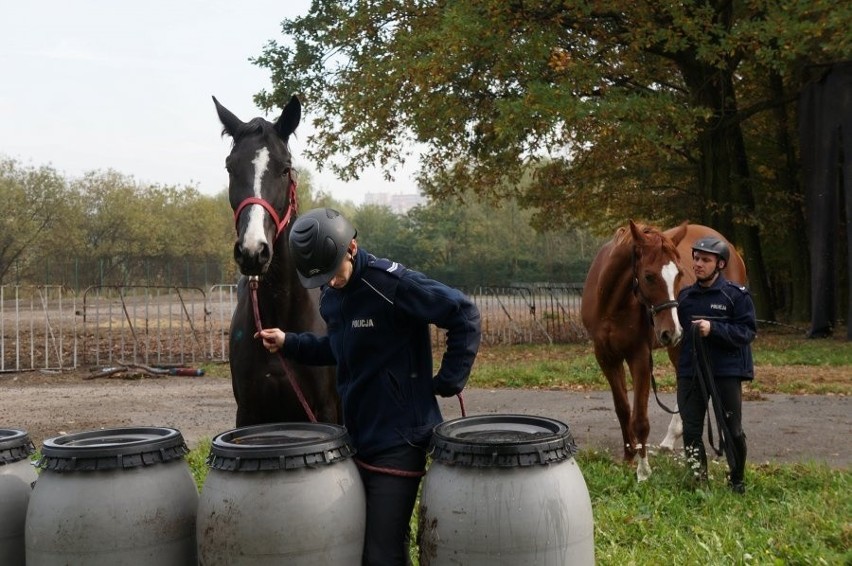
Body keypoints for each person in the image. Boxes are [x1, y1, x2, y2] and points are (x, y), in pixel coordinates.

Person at [256, 207, 481, 565]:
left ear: (352, 248)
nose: (329, 283)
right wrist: (289, 342)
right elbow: (338, 348)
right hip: (356, 438)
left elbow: (464, 313)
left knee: (380, 553)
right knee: (358, 545)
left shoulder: (391, 284)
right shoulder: (331, 294)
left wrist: (449, 379)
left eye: (333, 273)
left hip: (400, 439)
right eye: (321, 279)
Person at [675, 236, 756, 494]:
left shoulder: (735, 296)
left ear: (720, 264)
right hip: (691, 372)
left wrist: (714, 329)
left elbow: (747, 332)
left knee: (733, 430)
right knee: (690, 430)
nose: (698, 264)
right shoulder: (684, 298)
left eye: (705, 260)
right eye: (696, 258)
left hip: (726, 372)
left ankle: (737, 480)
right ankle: (699, 482)